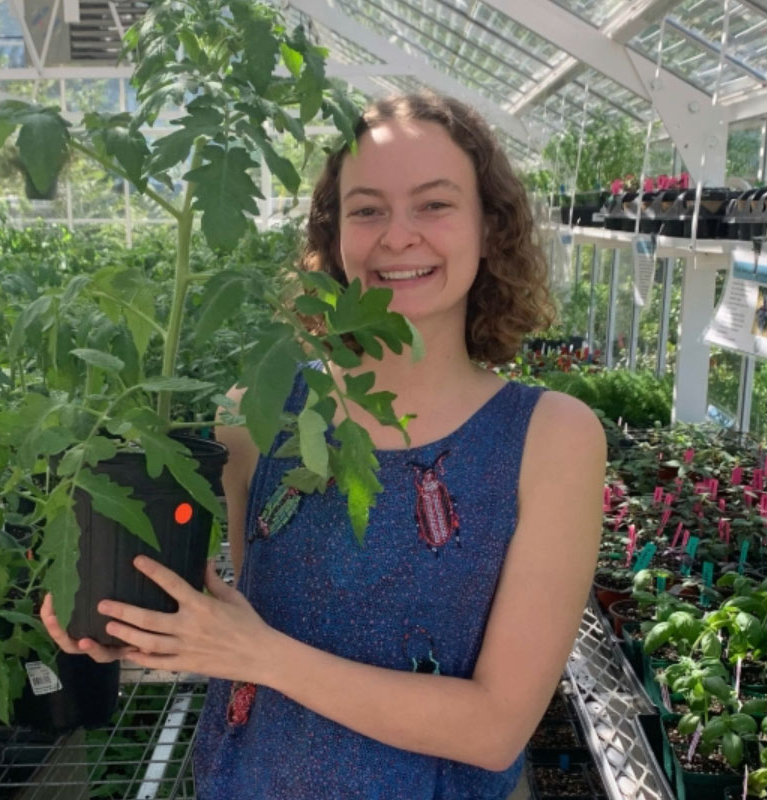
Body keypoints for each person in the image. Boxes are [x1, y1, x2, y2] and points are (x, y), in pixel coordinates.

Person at [40, 91, 606, 800]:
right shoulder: (257, 412)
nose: (398, 236)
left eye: (434, 204)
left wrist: (260, 655)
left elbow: (495, 727)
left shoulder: (550, 438)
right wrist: (112, 615)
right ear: (333, 235)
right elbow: (222, 608)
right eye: (367, 209)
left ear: (490, 228)